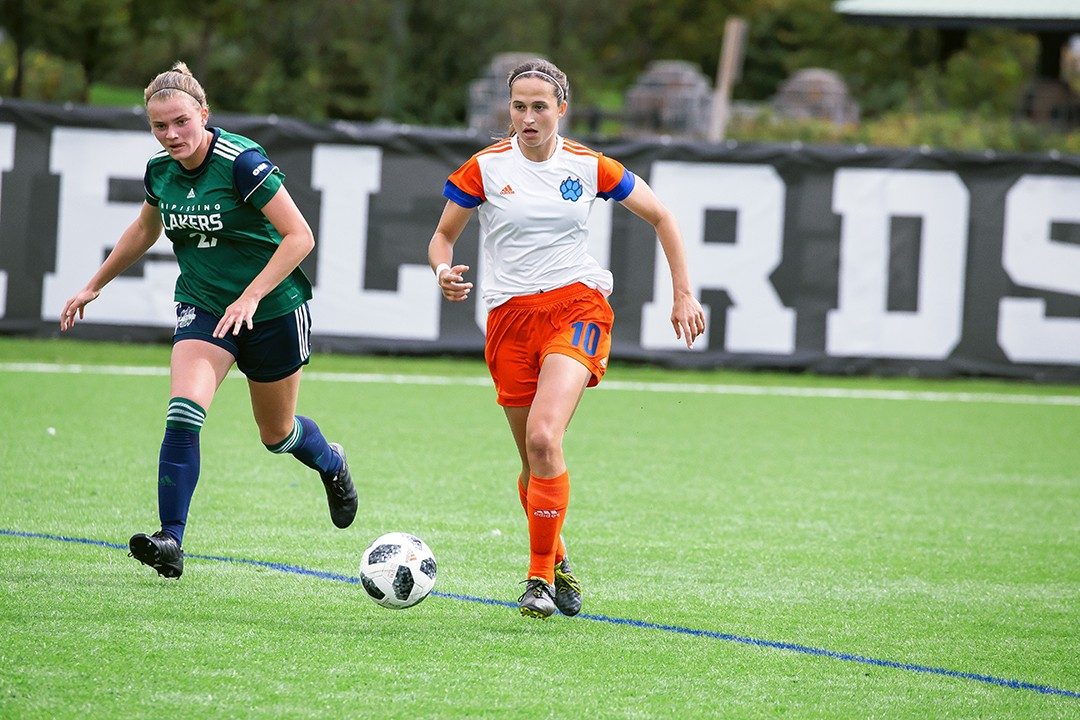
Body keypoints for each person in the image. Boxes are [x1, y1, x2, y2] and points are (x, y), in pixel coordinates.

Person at [428, 58, 705, 619]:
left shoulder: (590, 165)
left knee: (544, 436)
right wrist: (442, 271)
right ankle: (556, 558)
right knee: (533, 464)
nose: (528, 117)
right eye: (518, 106)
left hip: (577, 306)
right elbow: (441, 237)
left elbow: (663, 217)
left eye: (539, 107)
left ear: (561, 109)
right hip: (508, 319)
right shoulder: (484, 168)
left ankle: (536, 581)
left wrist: (683, 293)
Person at [59, 61, 357, 579]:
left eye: (180, 122)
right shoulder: (160, 171)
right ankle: (170, 539)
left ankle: (331, 462)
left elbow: (300, 237)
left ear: (203, 113)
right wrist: (95, 283)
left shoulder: (241, 162)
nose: (171, 135)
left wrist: (251, 297)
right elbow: (145, 229)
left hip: (274, 309)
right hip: (203, 305)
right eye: (159, 126)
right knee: (183, 411)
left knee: (277, 434)